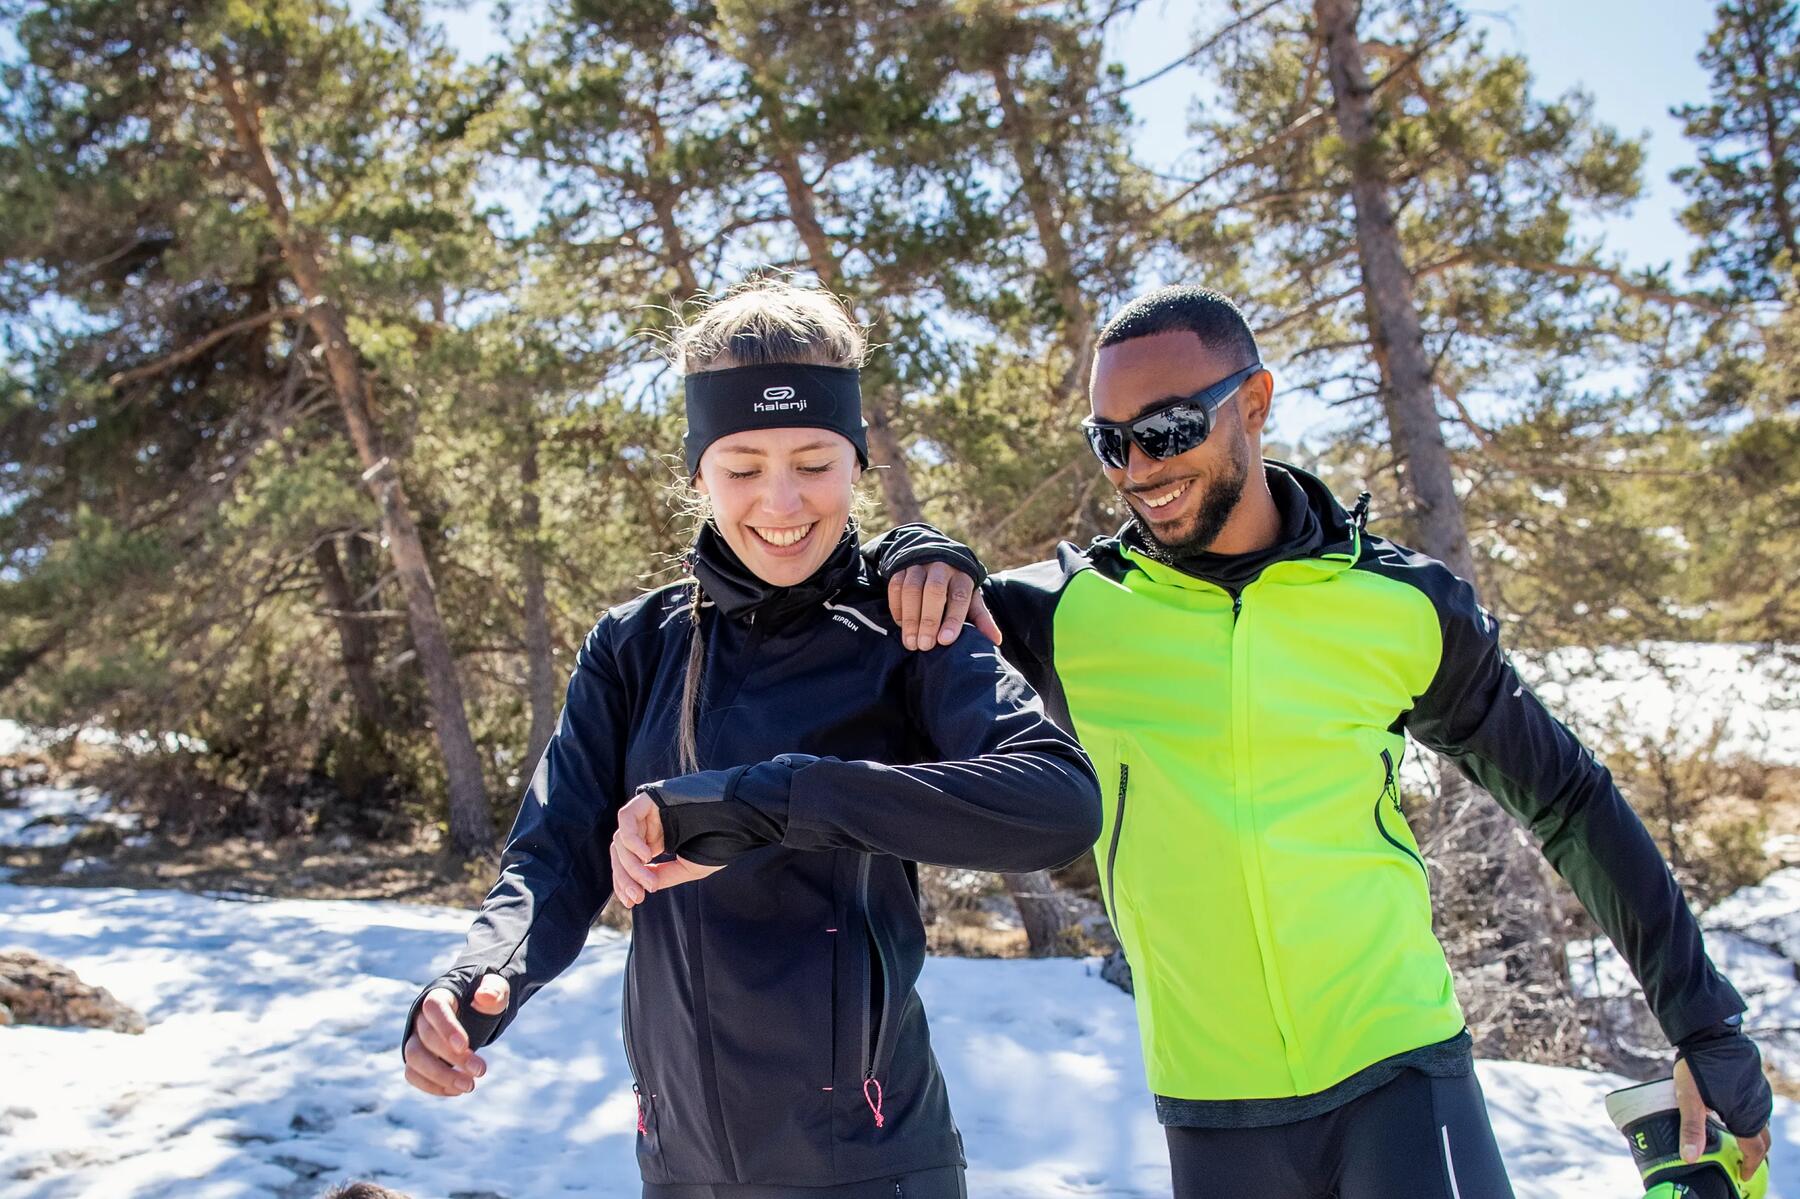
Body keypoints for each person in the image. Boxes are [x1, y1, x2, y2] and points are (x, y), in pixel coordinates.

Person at [876, 285, 1774, 1199]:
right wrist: (914, 551)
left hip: (1403, 1072)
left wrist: (1705, 1022)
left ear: (1255, 403)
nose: (1138, 467)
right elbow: (883, 627)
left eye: (1169, 428)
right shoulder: (1063, 615)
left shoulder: (1401, 605)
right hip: (1210, 1102)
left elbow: (1569, 798)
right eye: (1111, 441)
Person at [399, 277, 1101, 1199]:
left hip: (874, 1167)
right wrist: (481, 976)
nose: (782, 501)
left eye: (814, 461)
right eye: (741, 467)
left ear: (855, 461)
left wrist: (779, 801)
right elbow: (553, 856)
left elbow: (1057, 803)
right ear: (696, 471)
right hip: (681, 1166)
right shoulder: (635, 644)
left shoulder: (911, 624)